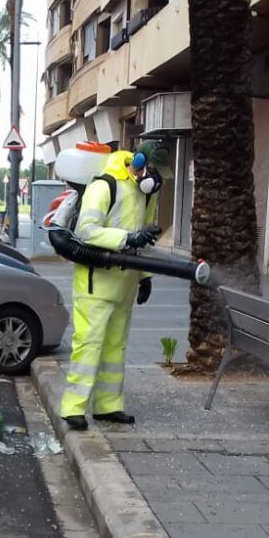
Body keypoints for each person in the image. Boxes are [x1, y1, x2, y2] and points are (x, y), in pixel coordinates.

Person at [59, 141, 171, 431]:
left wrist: (145, 277)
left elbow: (145, 240)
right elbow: (86, 231)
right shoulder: (104, 186)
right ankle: (73, 407)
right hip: (96, 283)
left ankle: (108, 406)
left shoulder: (147, 195)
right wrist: (126, 239)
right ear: (140, 161)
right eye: (155, 171)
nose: (156, 179)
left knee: (115, 347)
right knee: (88, 346)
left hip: (125, 284)